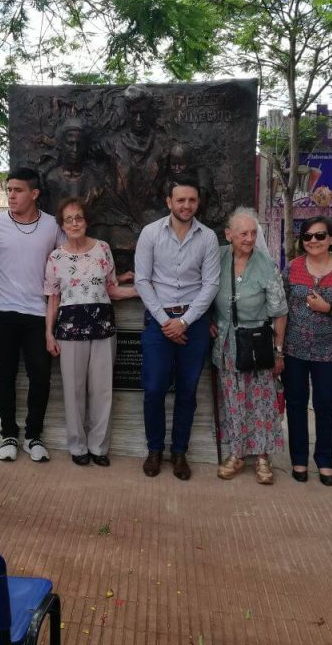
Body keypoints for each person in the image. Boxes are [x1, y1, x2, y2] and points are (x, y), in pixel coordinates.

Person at [134, 176, 220, 480]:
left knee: (187, 391)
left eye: (192, 200)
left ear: (198, 203)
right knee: (154, 389)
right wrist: (165, 321)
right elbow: (142, 280)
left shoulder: (208, 238)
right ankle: (154, 450)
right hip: (158, 322)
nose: (186, 205)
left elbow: (210, 284)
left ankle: (179, 452)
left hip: (193, 324)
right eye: (180, 200)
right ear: (169, 202)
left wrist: (184, 321)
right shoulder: (150, 233)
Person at [44, 198, 137, 467]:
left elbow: (112, 289)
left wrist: (142, 289)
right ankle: (78, 446)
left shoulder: (102, 249)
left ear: (86, 221)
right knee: (73, 392)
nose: (74, 223)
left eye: (79, 218)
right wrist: (49, 334)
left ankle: (98, 447)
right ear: (63, 225)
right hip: (70, 330)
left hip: (103, 328)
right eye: (69, 219)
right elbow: (52, 300)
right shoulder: (56, 258)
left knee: (102, 391)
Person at [0, 168, 62, 463]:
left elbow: (67, 260)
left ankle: (33, 435)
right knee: (5, 373)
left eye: (17, 190)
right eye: (9, 190)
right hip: (0, 311)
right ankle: (8, 434)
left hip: (37, 313)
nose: (11, 195)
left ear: (34, 194)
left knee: (40, 374)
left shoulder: (53, 226)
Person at [211, 208, 288, 485]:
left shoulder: (266, 264)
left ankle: (263, 456)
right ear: (229, 235)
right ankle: (237, 453)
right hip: (226, 342)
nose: (249, 238)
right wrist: (210, 320)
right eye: (243, 233)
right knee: (232, 400)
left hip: (257, 343)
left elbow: (279, 311)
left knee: (262, 401)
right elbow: (205, 291)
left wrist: (279, 351)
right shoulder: (217, 257)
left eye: (253, 233)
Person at [281, 216, 332, 486]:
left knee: (325, 406)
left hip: (329, 352)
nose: (313, 241)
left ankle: (324, 461)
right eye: (308, 236)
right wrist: (278, 348)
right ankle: (299, 459)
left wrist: (328, 309)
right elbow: (280, 308)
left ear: (331, 238)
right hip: (294, 350)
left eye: (320, 236)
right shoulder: (293, 267)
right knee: (295, 405)